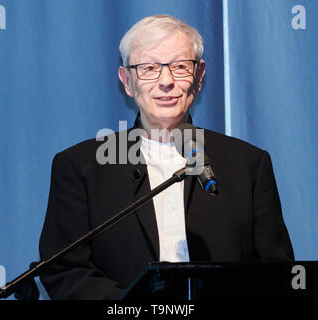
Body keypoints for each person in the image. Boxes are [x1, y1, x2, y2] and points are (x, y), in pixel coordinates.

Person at [39, 14, 294, 300]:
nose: (166, 81)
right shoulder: (81, 167)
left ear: (198, 77)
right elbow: (65, 269)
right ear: (126, 80)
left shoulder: (249, 164)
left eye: (180, 67)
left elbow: (277, 273)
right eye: (148, 68)